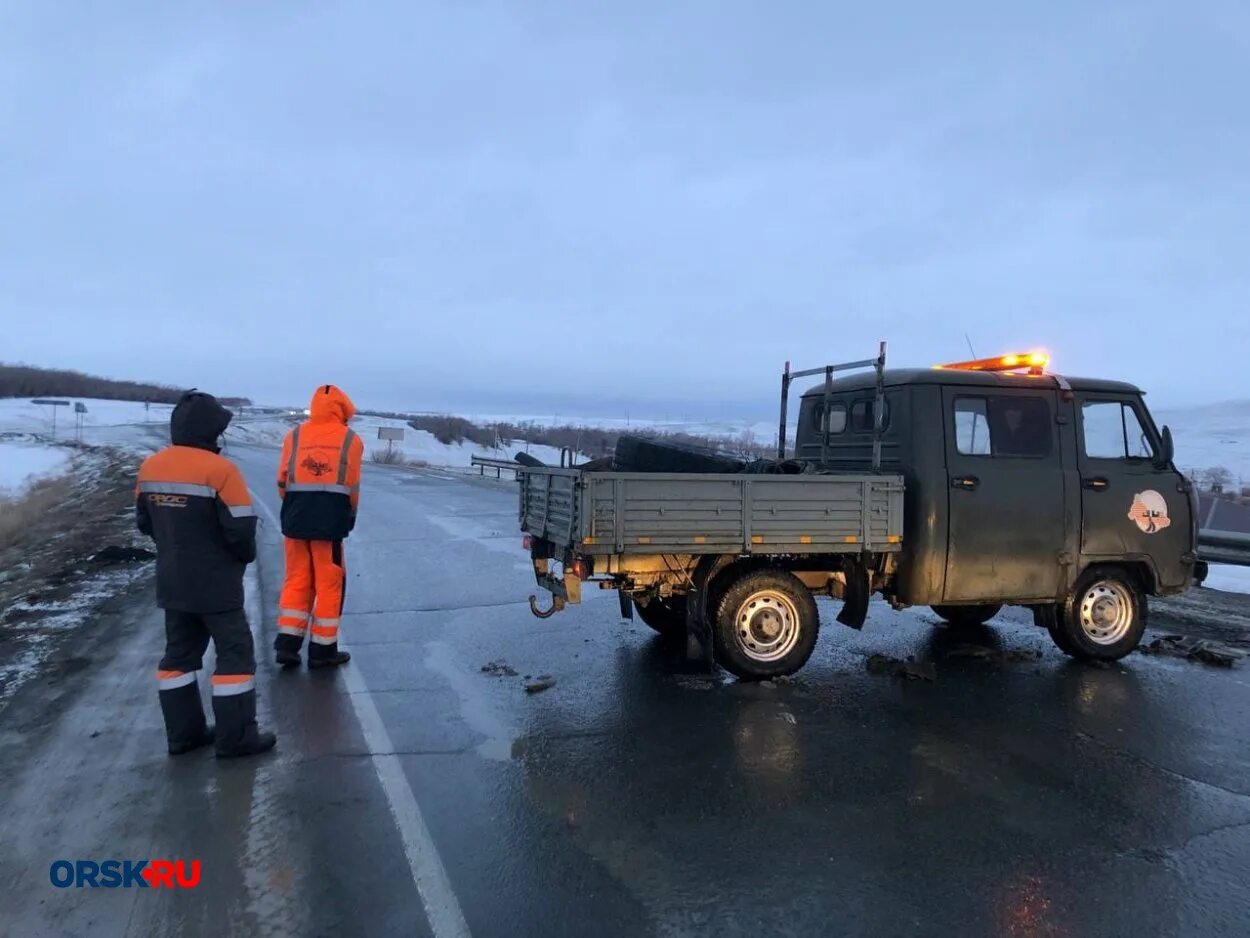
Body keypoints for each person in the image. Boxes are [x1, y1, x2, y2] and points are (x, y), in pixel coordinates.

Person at [136, 391, 276, 758]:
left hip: (172, 580)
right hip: (216, 586)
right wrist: (240, 559)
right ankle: (236, 738)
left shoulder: (150, 467)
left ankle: (184, 735)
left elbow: (143, 523)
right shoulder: (221, 471)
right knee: (235, 655)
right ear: (210, 431)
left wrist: (173, 546)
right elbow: (241, 531)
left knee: (178, 656)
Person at [274, 384, 364, 669]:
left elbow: (282, 481)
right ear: (342, 411)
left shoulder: (294, 436)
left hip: (295, 518)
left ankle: (287, 646)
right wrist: (348, 516)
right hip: (329, 523)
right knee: (329, 583)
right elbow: (352, 487)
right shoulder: (351, 440)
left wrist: (296, 506)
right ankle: (322, 651)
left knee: (297, 579)